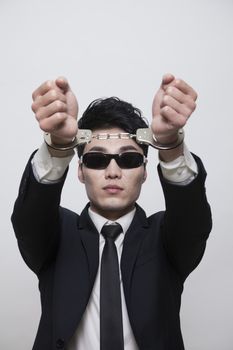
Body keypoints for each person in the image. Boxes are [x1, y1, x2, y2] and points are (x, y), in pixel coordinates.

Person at [11, 74, 212, 350]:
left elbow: (193, 218)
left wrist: (170, 145)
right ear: (80, 171)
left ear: (144, 172)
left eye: (129, 160)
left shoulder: (166, 239)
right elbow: (29, 218)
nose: (113, 172)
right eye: (97, 160)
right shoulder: (56, 235)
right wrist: (58, 146)